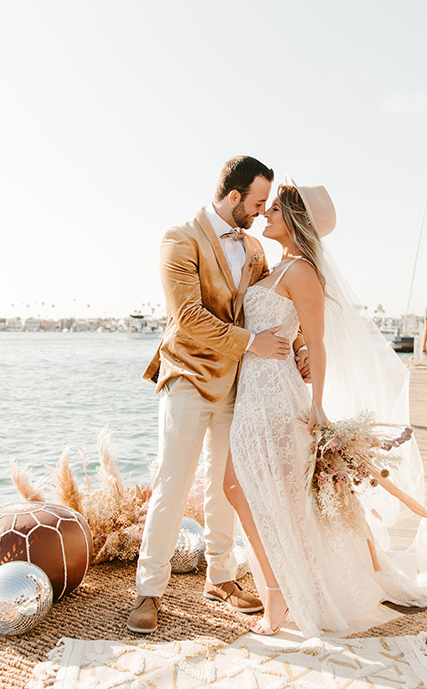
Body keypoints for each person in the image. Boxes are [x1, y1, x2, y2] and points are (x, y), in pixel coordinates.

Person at [225, 176, 427, 637]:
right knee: (243, 489)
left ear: (295, 220)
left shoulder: (300, 272)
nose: (266, 214)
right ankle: (284, 589)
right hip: (250, 393)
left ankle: (285, 596)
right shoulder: (272, 268)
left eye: (275, 209)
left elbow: (317, 339)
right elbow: (291, 333)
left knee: (276, 498)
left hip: (278, 398)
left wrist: (316, 405)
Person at [127, 157, 309, 634]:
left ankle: (221, 576)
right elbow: (187, 316)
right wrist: (250, 343)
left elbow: (272, 306)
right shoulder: (179, 239)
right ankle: (149, 590)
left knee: (228, 484)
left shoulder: (252, 247)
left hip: (237, 383)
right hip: (186, 376)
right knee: (173, 483)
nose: (261, 211)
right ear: (234, 197)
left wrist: (302, 348)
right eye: (257, 202)